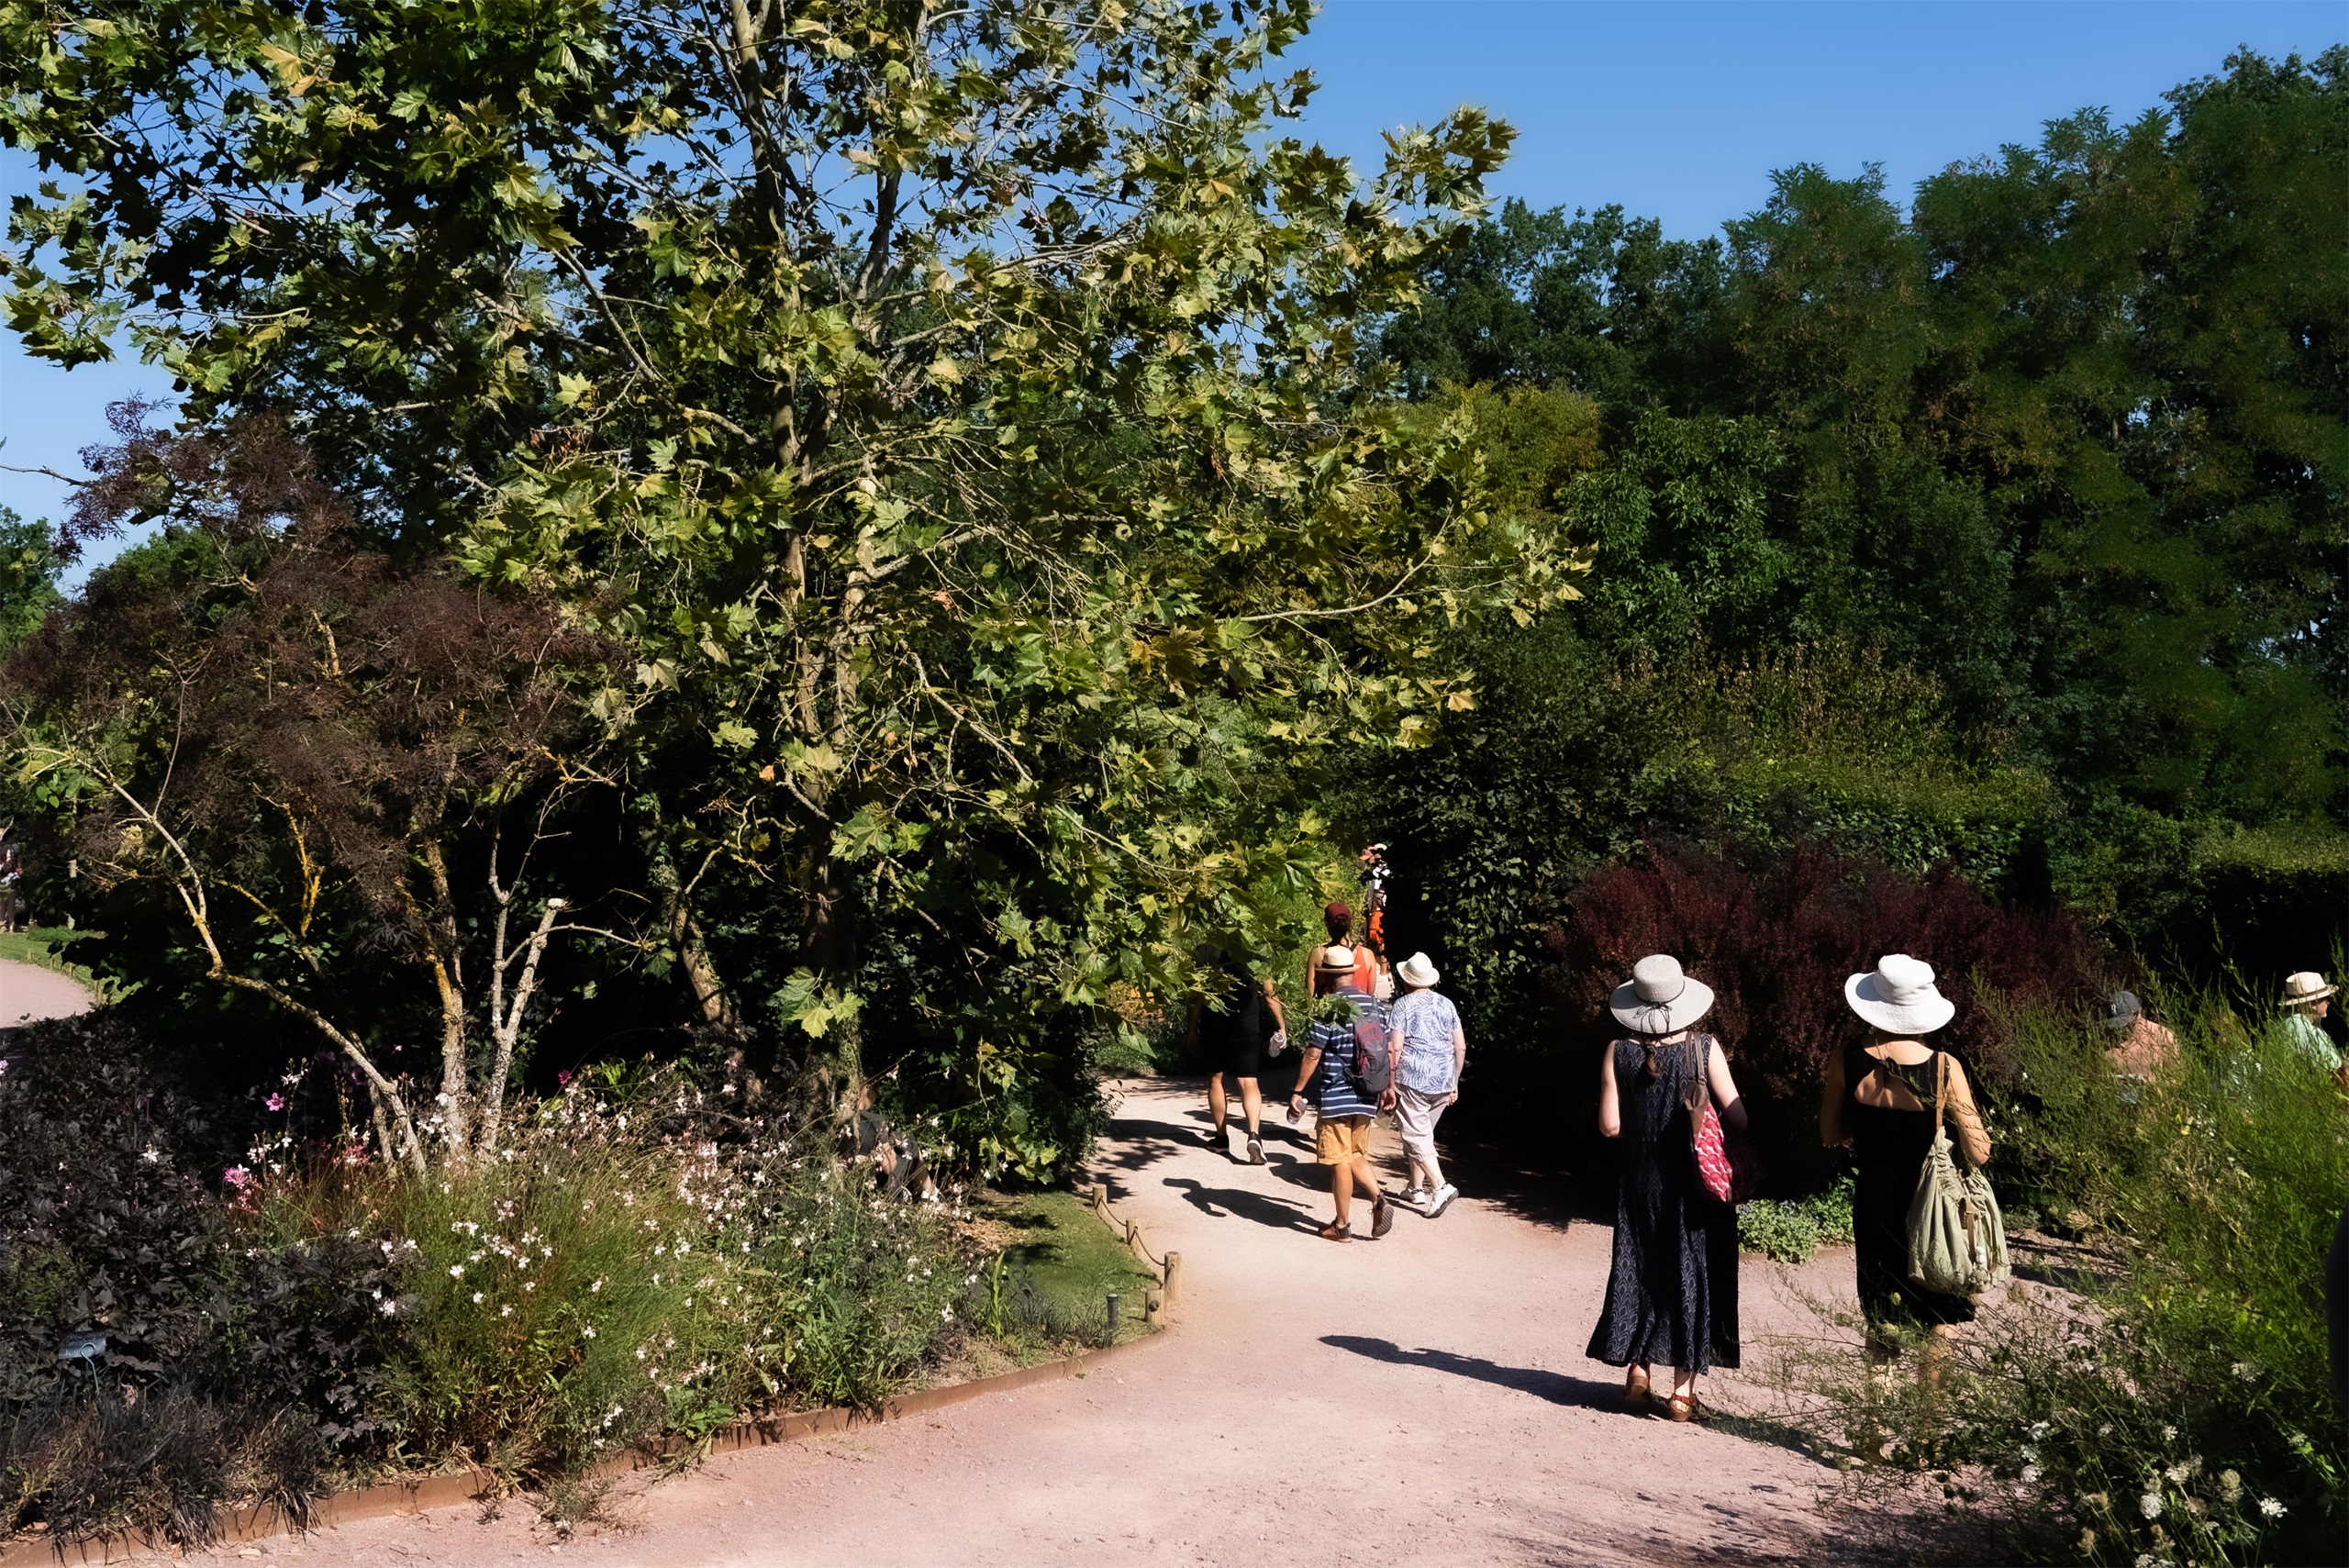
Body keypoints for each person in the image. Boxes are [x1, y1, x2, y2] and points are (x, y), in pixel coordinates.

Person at [1587, 954, 1745, 1422]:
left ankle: (1638, 1369)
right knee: (1689, 1272)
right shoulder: (1704, 1048)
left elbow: (1610, 1126)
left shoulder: (1618, 1050)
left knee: (1639, 1264)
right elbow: (1740, 1117)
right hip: (1693, 1188)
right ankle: (1681, 1393)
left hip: (1639, 1181)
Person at [1820, 953, 1990, 1377]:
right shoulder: (1945, 1068)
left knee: (1884, 1317)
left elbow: (1829, 1133)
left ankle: (1875, 1433)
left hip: (1875, 1203)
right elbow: (1979, 1150)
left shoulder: (1850, 1058)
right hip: (1932, 1208)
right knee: (1940, 1319)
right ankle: (1927, 1434)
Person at [1288, 944, 1394, 1242]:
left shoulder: (1328, 1007)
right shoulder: (1373, 1004)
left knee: (1340, 1159)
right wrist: (1388, 1087)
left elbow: (1312, 1054)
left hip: (1337, 1095)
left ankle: (1343, 1225)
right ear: (1350, 973)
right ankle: (1378, 1198)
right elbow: (1385, 1050)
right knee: (1354, 1153)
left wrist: (1297, 1091)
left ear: (1326, 976)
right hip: (1367, 1092)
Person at [1186, 941, 1287, 1164]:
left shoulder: (1205, 950)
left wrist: (1191, 1028)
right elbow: (1269, 992)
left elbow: (1197, 995)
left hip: (1215, 1023)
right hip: (1246, 1023)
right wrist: (1281, 1026)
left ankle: (1221, 1139)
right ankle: (1254, 1135)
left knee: (1216, 1079)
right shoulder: (1256, 948)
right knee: (1248, 1081)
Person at [1386, 951, 1465, 1217]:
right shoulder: (1447, 1004)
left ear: (1406, 979)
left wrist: (1390, 1081)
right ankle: (1415, 1188)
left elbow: (1394, 1049)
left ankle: (1440, 1186)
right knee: (1423, 1136)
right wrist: (1454, 1082)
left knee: (1416, 1135)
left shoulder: (1402, 1005)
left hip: (1413, 1079)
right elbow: (1461, 1046)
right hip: (1443, 1080)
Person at [2273, 972, 2344, 1079]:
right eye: (2327, 999)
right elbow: (2337, 1076)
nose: (2328, 1003)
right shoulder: (2311, 1034)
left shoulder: (2276, 1027)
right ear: (2313, 1004)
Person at [1306, 901, 1380, 998]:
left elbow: (1308, 997)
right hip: (1360, 1011)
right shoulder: (1367, 955)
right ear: (1349, 923)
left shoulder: (1318, 954)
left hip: (1328, 1012)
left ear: (1327, 925)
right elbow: (1370, 993)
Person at [2104, 989, 2177, 1088]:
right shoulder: (2101, 1040)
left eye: (2127, 1023)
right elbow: (2092, 1079)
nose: (2122, 1028)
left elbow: (2178, 1079)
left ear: (2138, 1014)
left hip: (2153, 1101)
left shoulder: (2163, 1037)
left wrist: (2151, 1086)